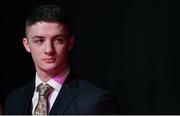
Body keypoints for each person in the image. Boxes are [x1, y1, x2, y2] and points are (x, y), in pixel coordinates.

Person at [4, 4, 120, 115]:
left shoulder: (96, 102)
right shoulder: (14, 100)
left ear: (70, 43)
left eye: (58, 40)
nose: (49, 49)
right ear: (27, 45)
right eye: (40, 40)